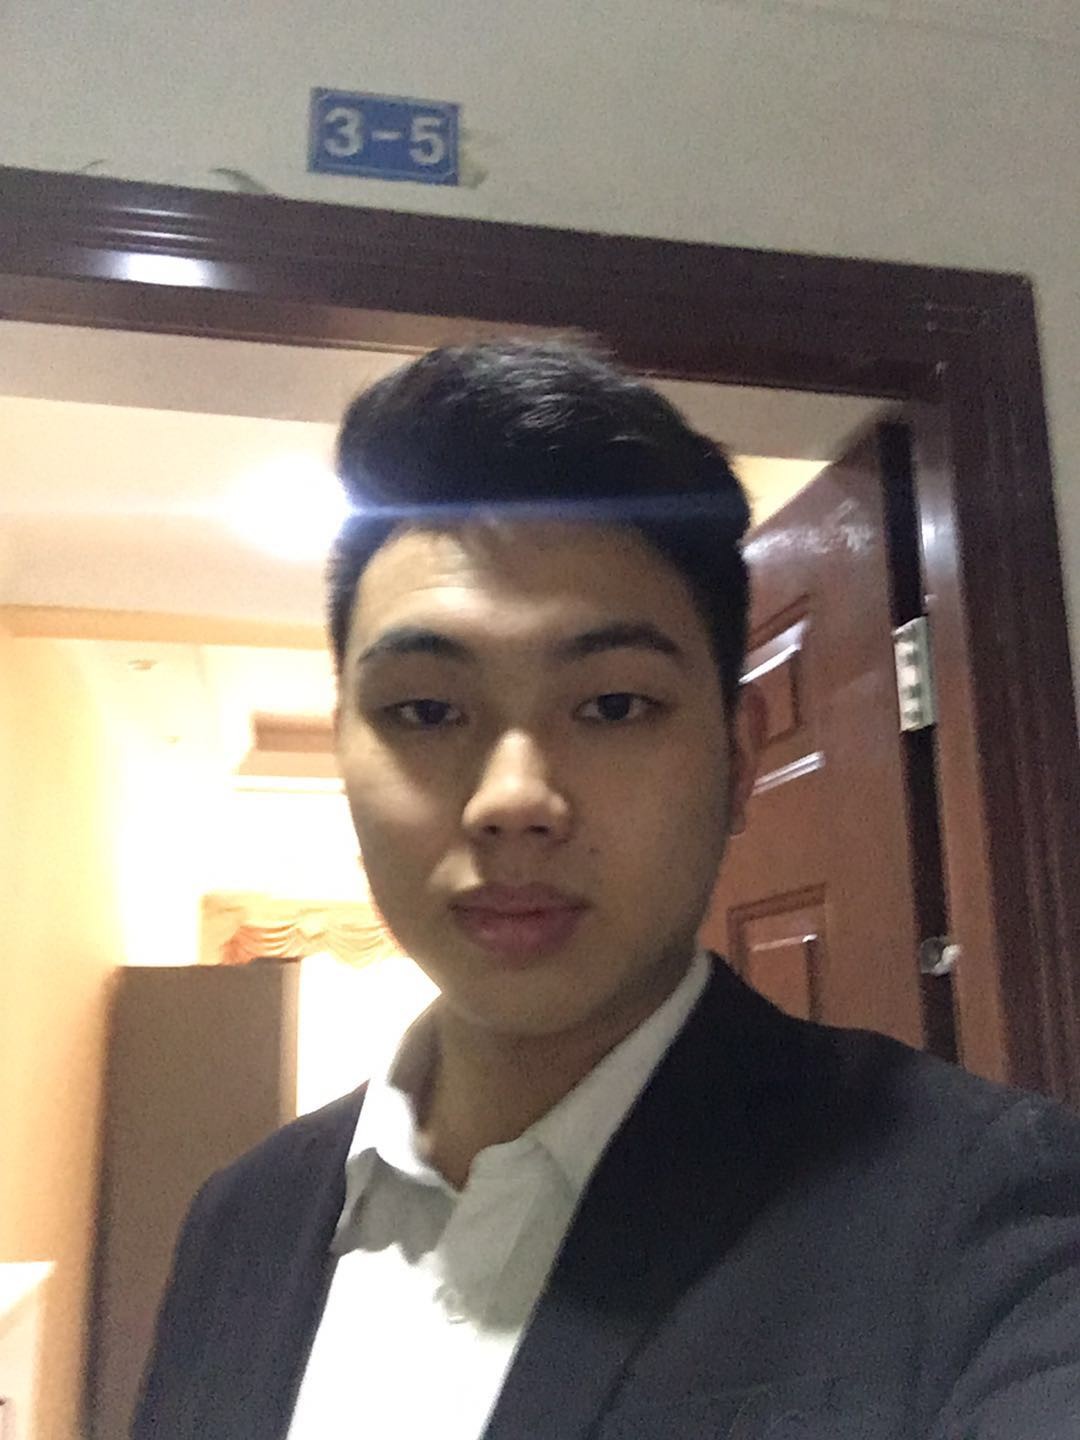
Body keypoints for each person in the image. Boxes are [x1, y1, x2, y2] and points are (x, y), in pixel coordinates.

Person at [133, 341, 1080, 1439]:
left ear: (739, 758)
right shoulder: (240, 1218)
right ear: (344, 749)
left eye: (614, 706)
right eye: (425, 710)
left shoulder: (976, 1210)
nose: (514, 800)